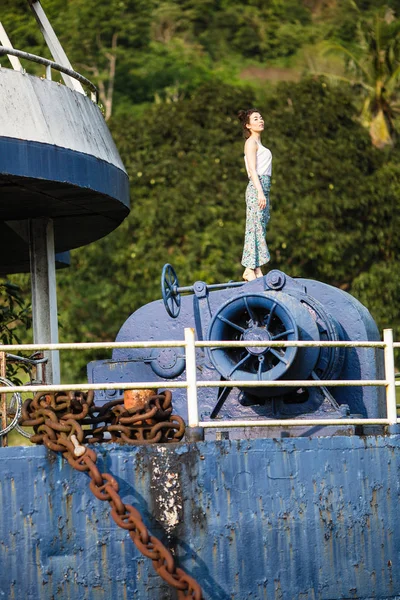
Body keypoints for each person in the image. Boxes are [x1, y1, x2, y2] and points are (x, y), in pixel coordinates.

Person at [237, 108, 272, 281]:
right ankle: (249, 268)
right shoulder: (251, 143)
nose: (260, 120)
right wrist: (259, 192)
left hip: (264, 188)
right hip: (256, 188)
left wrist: (264, 192)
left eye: (261, 117)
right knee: (254, 227)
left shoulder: (260, 144)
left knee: (261, 226)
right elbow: (251, 169)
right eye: (256, 118)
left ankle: (257, 268)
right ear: (248, 125)